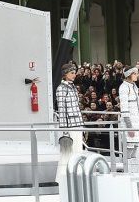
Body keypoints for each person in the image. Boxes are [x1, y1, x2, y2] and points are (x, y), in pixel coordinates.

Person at [55, 64, 84, 201]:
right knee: (66, 153)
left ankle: (75, 178)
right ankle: (61, 181)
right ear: (65, 74)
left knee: (77, 152)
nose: (74, 74)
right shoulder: (61, 89)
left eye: (75, 72)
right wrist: (64, 131)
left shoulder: (72, 87)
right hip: (69, 126)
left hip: (77, 124)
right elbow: (62, 110)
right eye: (72, 72)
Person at [119, 66, 139, 173]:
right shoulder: (124, 87)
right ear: (129, 75)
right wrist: (129, 127)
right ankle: (126, 171)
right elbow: (124, 108)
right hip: (129, 123)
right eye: (135, 73)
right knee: (129, 146)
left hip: (136, 122)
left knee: (135, 146)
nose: (137, 75)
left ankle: (134, 171)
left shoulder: (134, 86)